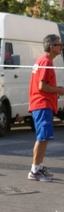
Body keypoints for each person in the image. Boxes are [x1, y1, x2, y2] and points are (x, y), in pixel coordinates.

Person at [27, 34, 64, 182]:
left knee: (44, 138)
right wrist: (59, 90)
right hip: (42, 104)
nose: (61, 47)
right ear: (52, 47)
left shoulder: (44, 60)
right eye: (59, 44)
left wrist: (56, 90)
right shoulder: (46, 61)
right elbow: (42, 86)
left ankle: (39, 166)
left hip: (43, 103)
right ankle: (35, 170)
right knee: (42, 138)